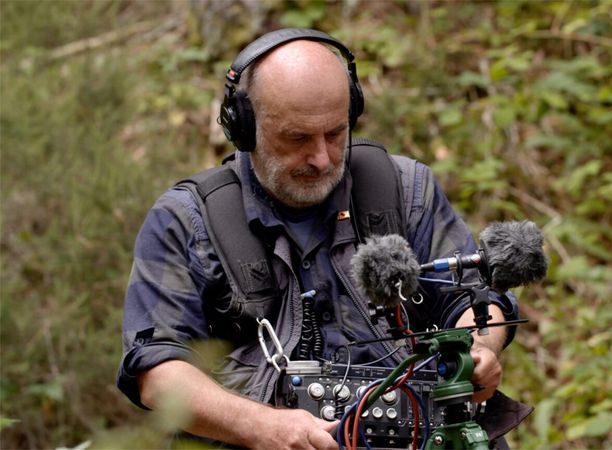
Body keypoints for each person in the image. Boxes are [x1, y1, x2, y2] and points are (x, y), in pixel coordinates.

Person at [117, 28, 527, 450]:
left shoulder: (404, 190)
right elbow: (158, 372)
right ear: (244, 128)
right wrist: (263, 427)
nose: (322, 158)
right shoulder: (185, 220)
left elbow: (475, 299)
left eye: (335, 133)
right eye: (296, 138)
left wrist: (479, 351)